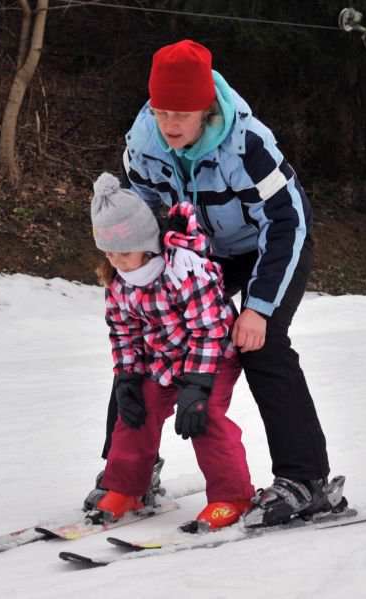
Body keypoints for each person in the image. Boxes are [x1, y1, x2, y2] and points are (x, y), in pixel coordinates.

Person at [117, 39, 341, 526]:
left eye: (181, 114)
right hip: (200, 251)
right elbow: (141, 221)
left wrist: (257, 308)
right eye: (161, 112)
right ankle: (128, 473)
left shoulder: (248, 145)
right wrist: (141, 288)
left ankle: (307, 480)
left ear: (205, 108)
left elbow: (287, 221)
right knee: (147, 341)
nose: (170, 124)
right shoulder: (141, 145)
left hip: (269, 243)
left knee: (260, 344)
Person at [88, 172, 254, 530]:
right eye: (109, 253)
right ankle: (127, 488)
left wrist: (197, 385)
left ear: (147, 244)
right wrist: (127, 377)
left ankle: (233, 497)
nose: (117, 261)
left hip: (212, 357)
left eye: (124, 252)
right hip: (164, 360)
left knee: (205, 417)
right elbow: (123, 331)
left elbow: (209, 328)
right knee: (136, 413)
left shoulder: (184, 270)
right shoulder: (119, 282)